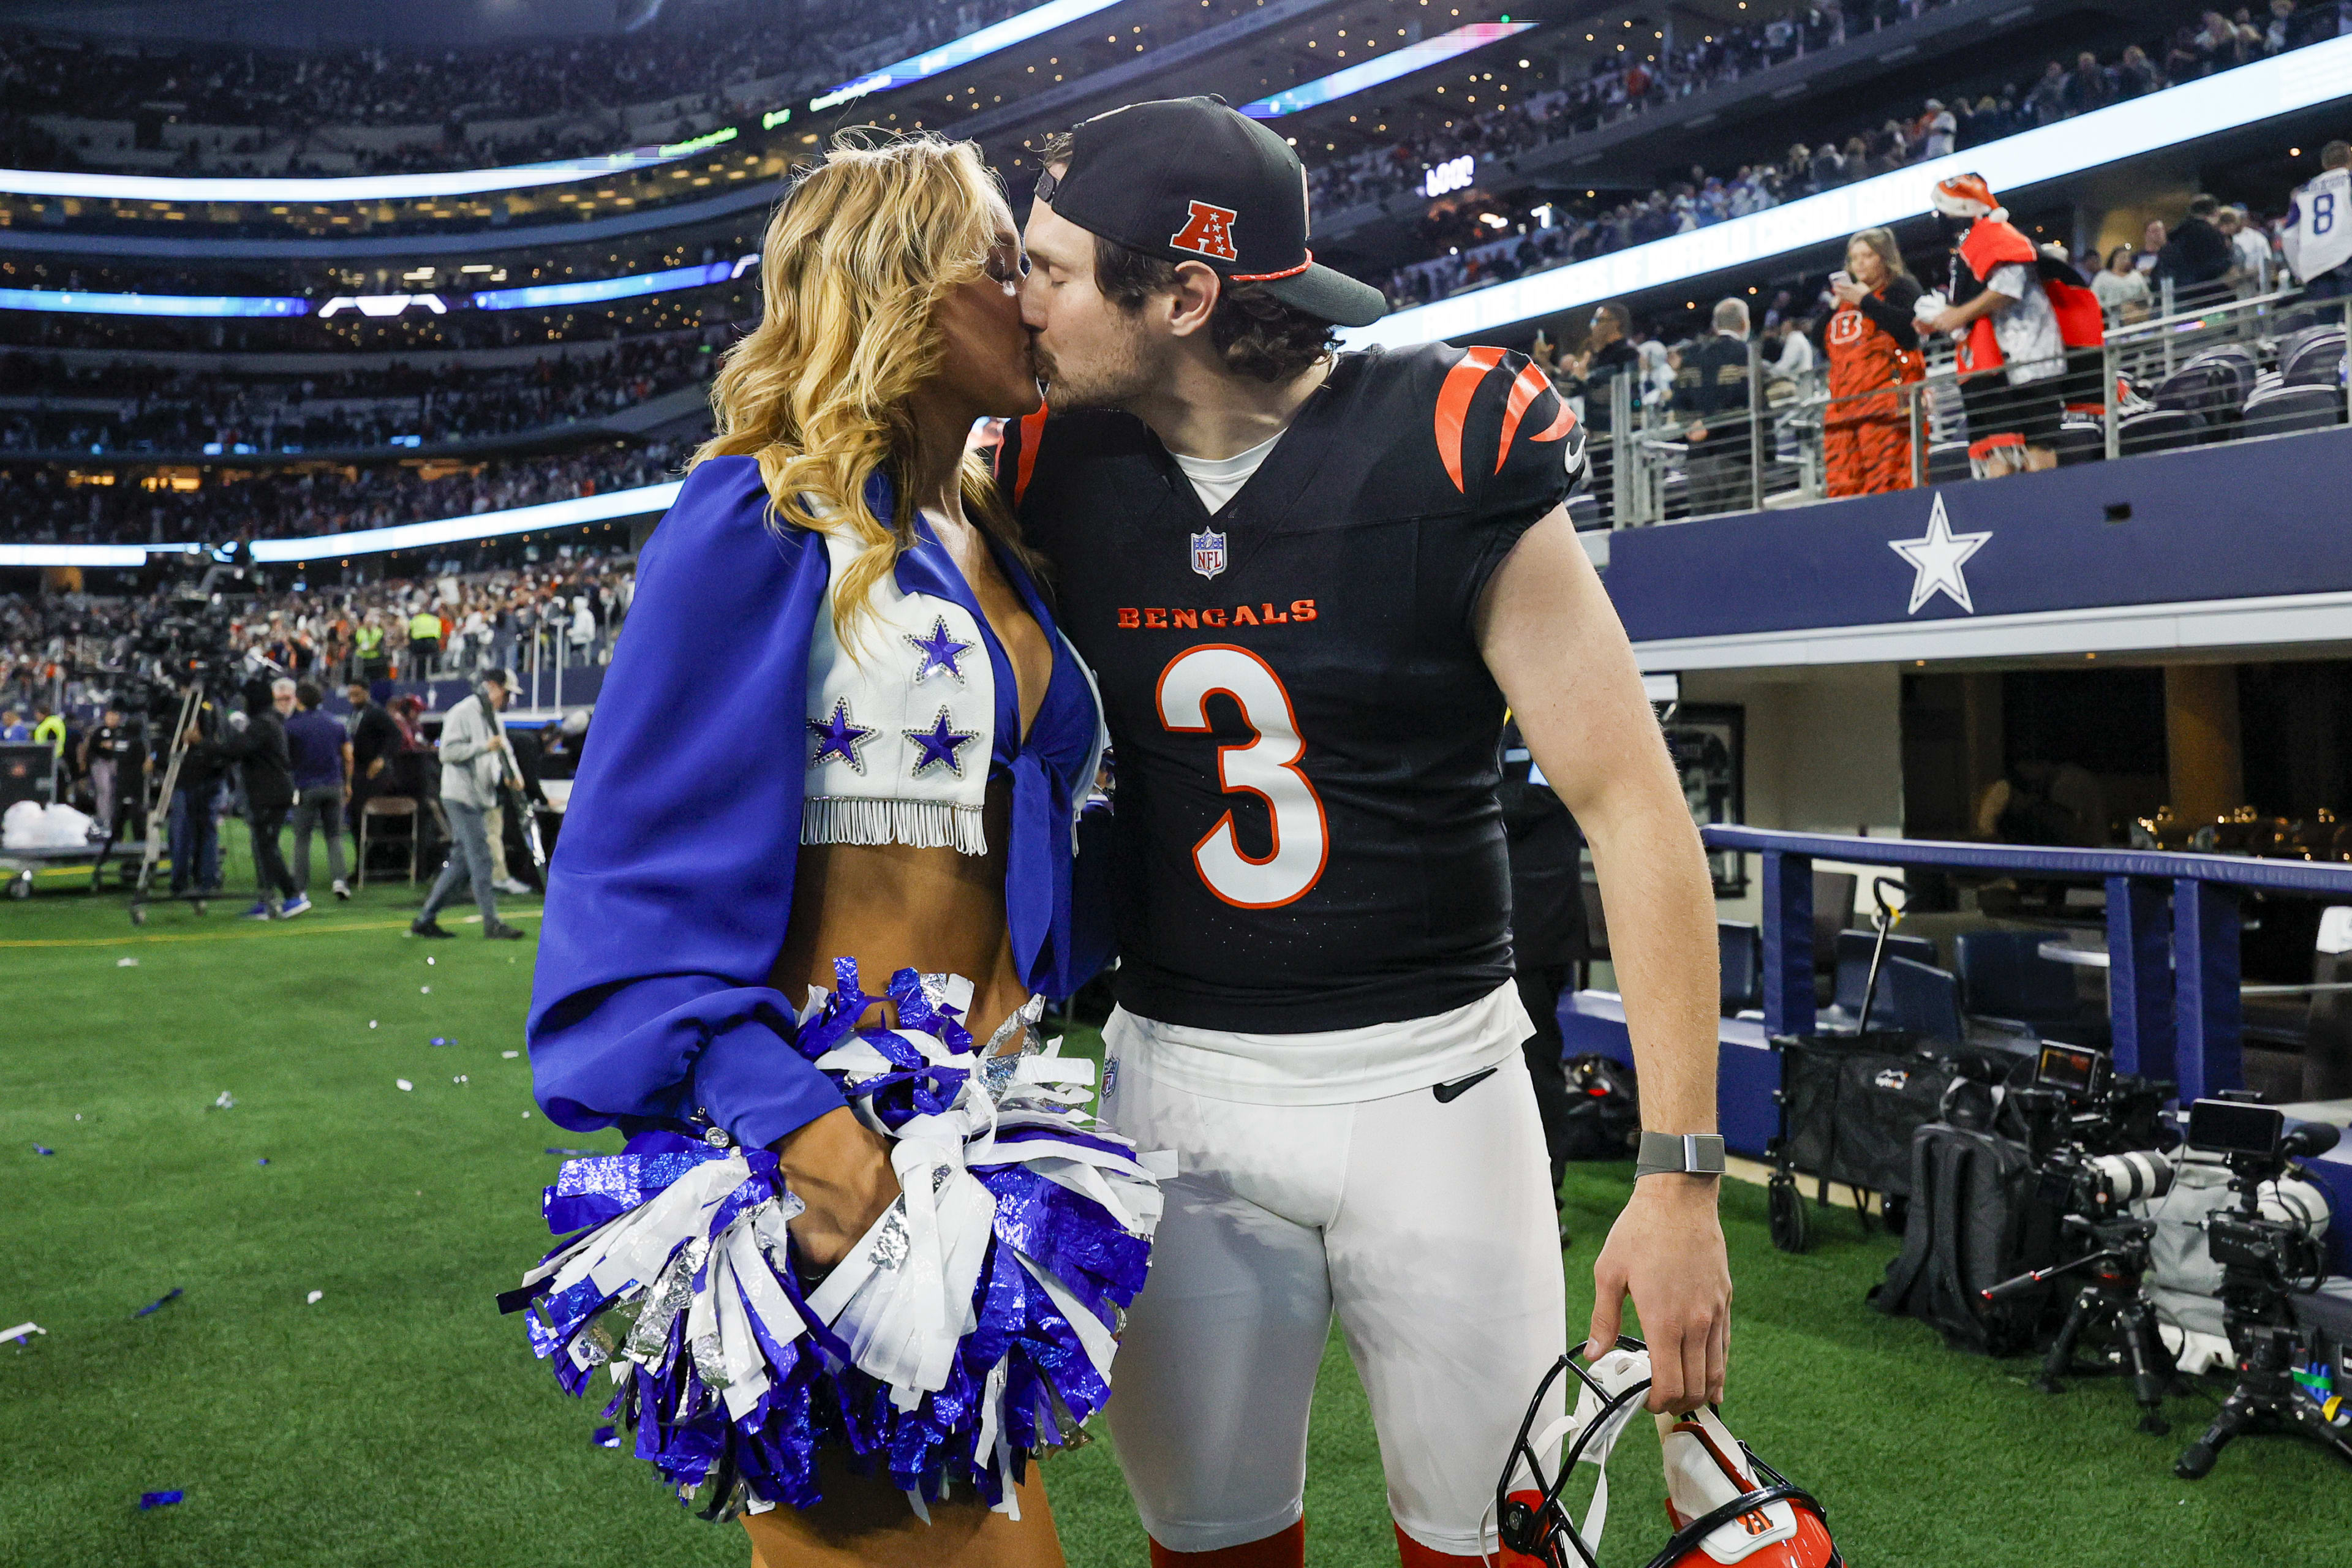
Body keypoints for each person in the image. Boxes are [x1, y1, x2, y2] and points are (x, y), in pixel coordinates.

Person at [1008, 97, 1730, 1567]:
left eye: (1051, 268)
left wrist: (1677, 1172)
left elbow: (1631, 806)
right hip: (1177, 1088)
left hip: (1434, 1088)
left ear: (1184, 296)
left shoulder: (1448, 439)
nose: (1018, 301)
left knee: (1496, 1546)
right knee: (1205, 1544)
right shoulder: (1043, 466)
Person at [519, 132, 1158, 1566]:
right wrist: (813, 1140)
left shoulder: (994, 525)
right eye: (999, 263)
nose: (1029, 294)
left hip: (977, 1152)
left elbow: (1034, 862)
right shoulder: (757, 515)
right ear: (901, 289)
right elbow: (627, 886)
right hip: (830, 1160)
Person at [1924, 173, 2075, 477]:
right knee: (1999, 450)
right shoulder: (1970, 245)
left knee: (2037, 444)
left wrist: (1959, 315)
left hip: (2031, 357)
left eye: (1942, 210)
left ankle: (2045, 511)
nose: (1939, 217)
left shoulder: (1998, 235)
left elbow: (2008, 288)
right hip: (1996, 363)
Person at [409, 669, 526, 940]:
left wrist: (514, 777)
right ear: (493, 687)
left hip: (479, 796)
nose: (508, 700)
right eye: (507, 693)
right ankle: (492, 923)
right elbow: (446, 753)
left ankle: (425, 918)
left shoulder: (494, 717)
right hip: (460, 795)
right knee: (482, 859)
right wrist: (484, 747)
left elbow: (504, 750)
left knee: (462, 861)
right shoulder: (462, 713)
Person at [1823, 227, 1925, 497]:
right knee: (1843, 489)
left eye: (1868, 255)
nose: (1859, 263)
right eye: (1854, 257)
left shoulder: (1901, 287)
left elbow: (1909, 332)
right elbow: (1818, 338)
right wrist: (1837, 304)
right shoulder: (1844, 301)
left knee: (1888, 485)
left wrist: (1865, 301)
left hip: (1885, 404)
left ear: (1884, 258)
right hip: (1843, 409)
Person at [198, 677, 303, 919]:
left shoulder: (262, 724)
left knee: (266, 846)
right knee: (263, 846)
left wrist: (203, 744)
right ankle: (266, 899)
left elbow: (236, 749)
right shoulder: (268, 721)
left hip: (269, 793)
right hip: (272, 791)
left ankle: (292, 896)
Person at [1675, 296, 1757, 516]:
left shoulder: (1691, 357)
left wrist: (1693, 428)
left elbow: (1678, 403)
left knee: (1704, 532)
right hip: (1738, 453)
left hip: (1698, 458)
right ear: (1744, 324)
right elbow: (1747, 401)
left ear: (1715, 325)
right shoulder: (1746, 354)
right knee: (1737, 529)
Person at [284, 680, 352, 901]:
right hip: (334, 785)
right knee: (334, 836)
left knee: (302, 838)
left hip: (306, 786)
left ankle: (300, 888)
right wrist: (347, 783)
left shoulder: (292, 726)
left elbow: (286, 758)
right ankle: (340, 881)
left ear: (300, 700)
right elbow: (348, 756)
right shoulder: (336, 723)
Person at [2284, 142, 2352, 299]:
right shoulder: (2349, 180)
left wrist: (2300, 271)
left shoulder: (2303, 191)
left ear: (2324, 164)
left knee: (2326, 322)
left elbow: (2288, 236)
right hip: (2346, 256)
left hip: (2314, 265)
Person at [2154, 194, 2237, 296]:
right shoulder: (2212, 235)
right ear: (2216, 212)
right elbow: (2228, 273)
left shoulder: (2174, 236)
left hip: (2175, 300)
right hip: (2205, 301)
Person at [78, 706, 133, 838]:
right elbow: (94, 747)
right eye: (110, 716)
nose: (113, 719)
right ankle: (104, 820)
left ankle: (117, 819)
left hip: (118, 763)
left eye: (115, 716)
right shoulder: (100, 731)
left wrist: (111, 745)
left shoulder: (122, 731)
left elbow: (124, 746)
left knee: (117, 792)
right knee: (104, 791)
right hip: (101, 763)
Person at [2092, 244, 2152, 322]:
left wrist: (2138, 308)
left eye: (2128, 258)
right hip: (2111, 318)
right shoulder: (2102, 277)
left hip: (2134, 315)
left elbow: (2146, 296)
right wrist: (2109, 310)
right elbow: (2095, 298)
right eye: (2123, 257)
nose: (2126, 261)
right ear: (2114, 259)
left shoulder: (2136, 275)